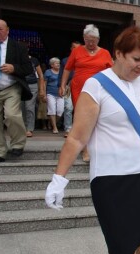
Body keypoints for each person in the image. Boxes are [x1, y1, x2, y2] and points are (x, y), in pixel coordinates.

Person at [45, 26, 140, 254]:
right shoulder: (96, 85)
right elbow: (77, 138)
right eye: (136, 59)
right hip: (113, 180)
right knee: (123, 251)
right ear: (118, 53)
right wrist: (59, 178)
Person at [59, 24, 113, 161]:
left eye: (93, 41)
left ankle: (98, 147)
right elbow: (67, 68)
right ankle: (86, 150)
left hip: (100, 90)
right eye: (88, 40)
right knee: (83, 119)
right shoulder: (77, 51)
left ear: (98, 40)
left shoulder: (105, 53)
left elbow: (112, 72)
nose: (90, 43)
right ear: (84, 38)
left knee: (99, 118)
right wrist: (63, 85)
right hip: (80, 89)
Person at [0, 19, 33, 164]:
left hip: (11, 87)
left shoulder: (18, 47)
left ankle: (18, 144)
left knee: (12, 115)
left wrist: (14, 68)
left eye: (0, 29)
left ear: (7, 30)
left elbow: (28, 69)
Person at [21, 42, 45, 138]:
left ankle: (29, 129)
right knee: (21, 108)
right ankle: (22, 127)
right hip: (20, 85)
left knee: (29, 107)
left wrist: (42, 89)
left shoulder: (34, 60)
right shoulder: (17, 59)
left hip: (32, 85)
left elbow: (40, 75)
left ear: (27, 49)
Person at [58, 41, 81, 138]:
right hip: (68, 86)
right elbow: (61, 74)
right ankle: (68, 128)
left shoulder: (83, 59)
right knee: (68, 107)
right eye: (74, 47)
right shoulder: (65, 60)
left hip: (81, 86)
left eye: (78, 48)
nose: (76, 49)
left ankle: (79, 129)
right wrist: (60, 86)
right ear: (71, 48)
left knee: (80, 108)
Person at [44, 57, 64, 134]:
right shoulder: (48, 72)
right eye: (56, 63)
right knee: (52, 110)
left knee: (60, 111)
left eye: (58, 63)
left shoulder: (62, 72)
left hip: (60, 94)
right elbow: (44, 83)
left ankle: (51, 122)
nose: (58, 64)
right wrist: (44, 94)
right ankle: (55, 127)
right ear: (52, 65)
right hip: (50, 93)